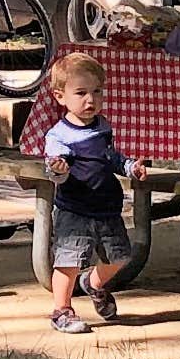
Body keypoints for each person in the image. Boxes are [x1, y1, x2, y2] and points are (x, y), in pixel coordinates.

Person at [37, 50, 133, 332]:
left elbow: (110, 156)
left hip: (107, 207)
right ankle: (62, 310)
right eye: (81, 93)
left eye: (97, 91)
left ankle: (92, 283)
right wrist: (58, 169)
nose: (91, 100)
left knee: (120, 257)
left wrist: (128, 167)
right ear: (60, 97)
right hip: (75, 210)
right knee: (67, 262)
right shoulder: (59, 136)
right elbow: (54, 168)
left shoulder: (102, 127)